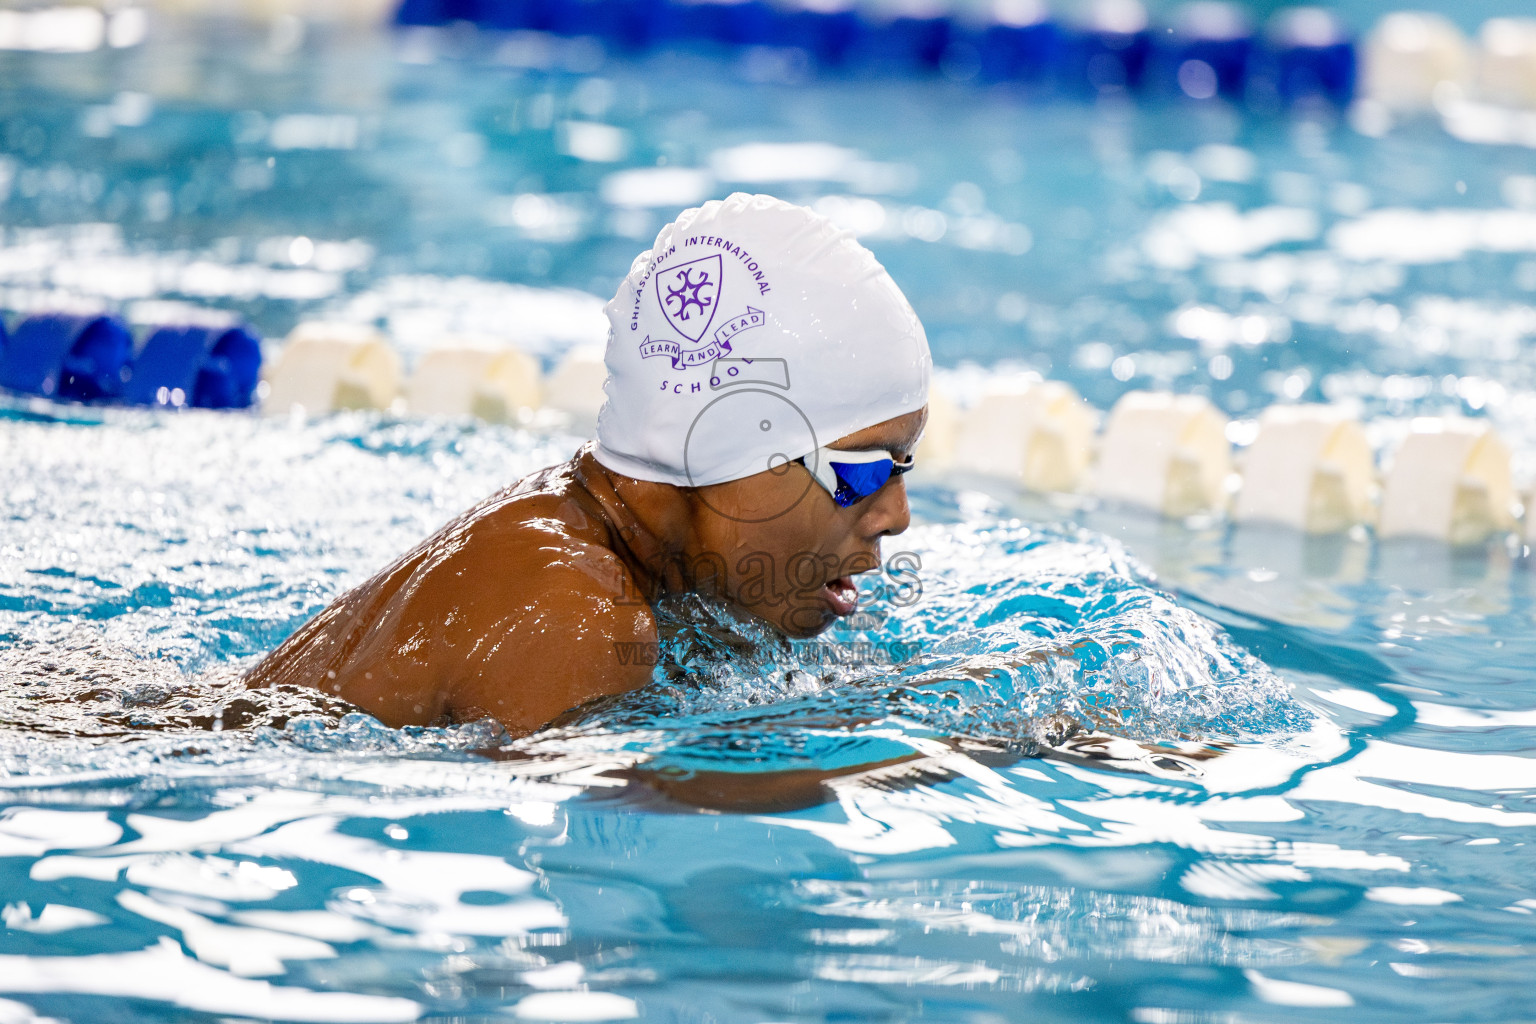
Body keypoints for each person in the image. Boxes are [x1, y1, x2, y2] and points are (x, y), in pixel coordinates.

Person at [246, 193, 931, 744]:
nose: (895, 515)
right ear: (724, 448)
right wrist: (947, 749)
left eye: (903, 465)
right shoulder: (577, 613)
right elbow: (627, 833)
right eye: (863, 471)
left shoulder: (615, 542)